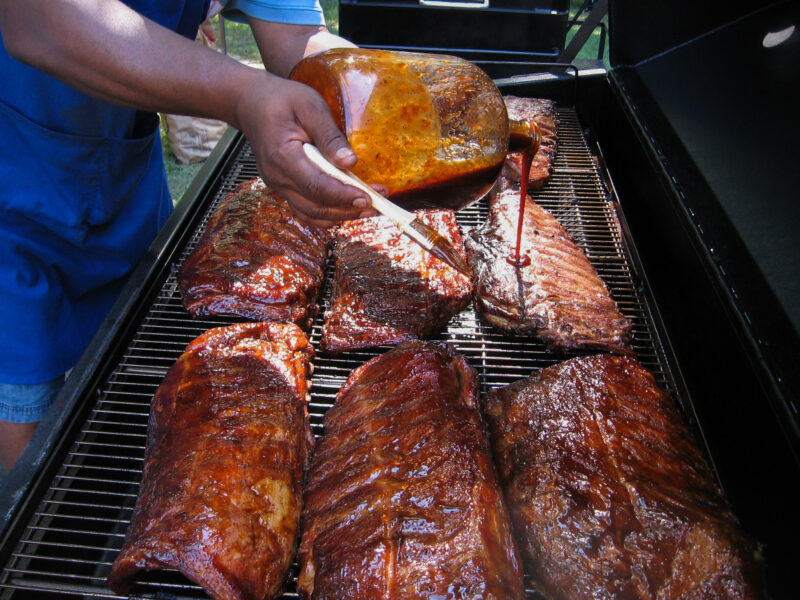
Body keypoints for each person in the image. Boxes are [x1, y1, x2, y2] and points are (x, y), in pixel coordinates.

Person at [0, 0, 373, 473]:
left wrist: (367, 99)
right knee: (25, 404)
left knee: (140, 371)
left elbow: (296, 39)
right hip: (10, 175)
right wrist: (243, 95)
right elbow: (36, 18)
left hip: (117, 167)